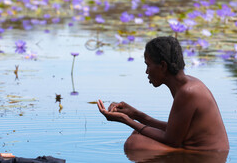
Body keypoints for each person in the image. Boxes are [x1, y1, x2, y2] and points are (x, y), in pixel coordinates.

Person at [97, 36, 229, 152]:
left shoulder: (188, 92)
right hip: (200, 150)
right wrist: (135, 114)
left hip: (206, 155)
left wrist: (125, 120)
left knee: (135, 144)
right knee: (139, 132)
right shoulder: (186, 85)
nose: (146, 72)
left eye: (148, 65)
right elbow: (174, 130)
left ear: (163, 66)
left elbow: (172, 140)